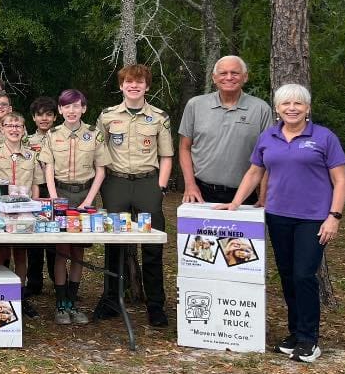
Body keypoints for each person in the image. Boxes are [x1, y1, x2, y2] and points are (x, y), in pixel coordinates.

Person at [215, 84, 345, 364]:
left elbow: (340, 181)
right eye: (286, 103)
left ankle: (309, 339)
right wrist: (235, 203)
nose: (292, 108)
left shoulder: (324, 137)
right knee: (287, 275)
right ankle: (294, 334)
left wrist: (334, 217)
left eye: (298, 103)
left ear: (307, 108)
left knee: (303, 275)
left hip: (313, 219)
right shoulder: (269, 136)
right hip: (278, 216)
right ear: (277, 108)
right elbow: (254, 171)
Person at [93, 64, 173, 327]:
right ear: (121, 86)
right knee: (114, 245)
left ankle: (155, 305)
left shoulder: (159, 117)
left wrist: (160, 187)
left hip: (147, 183)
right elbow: (99, 153)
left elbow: (166, 155)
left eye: (139, 82)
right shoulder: (107, 116)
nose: (134, 86)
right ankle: (111, 300)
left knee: (151, 247)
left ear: (147, 87)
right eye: (129, 82)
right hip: (116, 184)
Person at [0, 111, 55, 318]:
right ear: (2, 129)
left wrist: (35, 209)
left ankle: (19, 296)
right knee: (1, 252)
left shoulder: (31, 155)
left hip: (25, 212)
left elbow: (36, 185)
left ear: (24, 129)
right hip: (2, 211)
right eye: (9, 125)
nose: (14, 129)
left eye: (18, 126)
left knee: (20, 254)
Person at [37, 90, 109, 325]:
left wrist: (89, 200)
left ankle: (73, 301)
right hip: (60, 193)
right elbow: (48, 168)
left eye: (76, 106)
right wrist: (55, 197)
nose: (71, 111)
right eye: (66, 107)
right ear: (60, 110)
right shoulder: (52, 136)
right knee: (62, 251)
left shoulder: (94, 135)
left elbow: (101, 169)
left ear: (84, 109)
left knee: (78, 252)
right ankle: (60, 304)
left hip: (85, 193)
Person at [179, 56, 271, 205]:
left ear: (245, 77)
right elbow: (184, 147)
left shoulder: (261, 109)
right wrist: (190, 185)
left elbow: (267, 156)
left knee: (243, 230)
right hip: (201, 193)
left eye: (235, 73)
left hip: (245, 195)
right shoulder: (195, 105)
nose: (229, 77)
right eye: (223, 73)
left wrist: (263, 194)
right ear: (214, 78)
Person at [24, 96, 59, 297]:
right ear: (34, 118)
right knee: (34, 237)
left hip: (55, 189)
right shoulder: (27, 140)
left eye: (48, 114)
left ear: (55, 117)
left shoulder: (61, 137)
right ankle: (34, 280)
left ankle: (57, 280)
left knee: (54, 237)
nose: (44, 119)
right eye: (40, 115)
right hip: (35, 189)